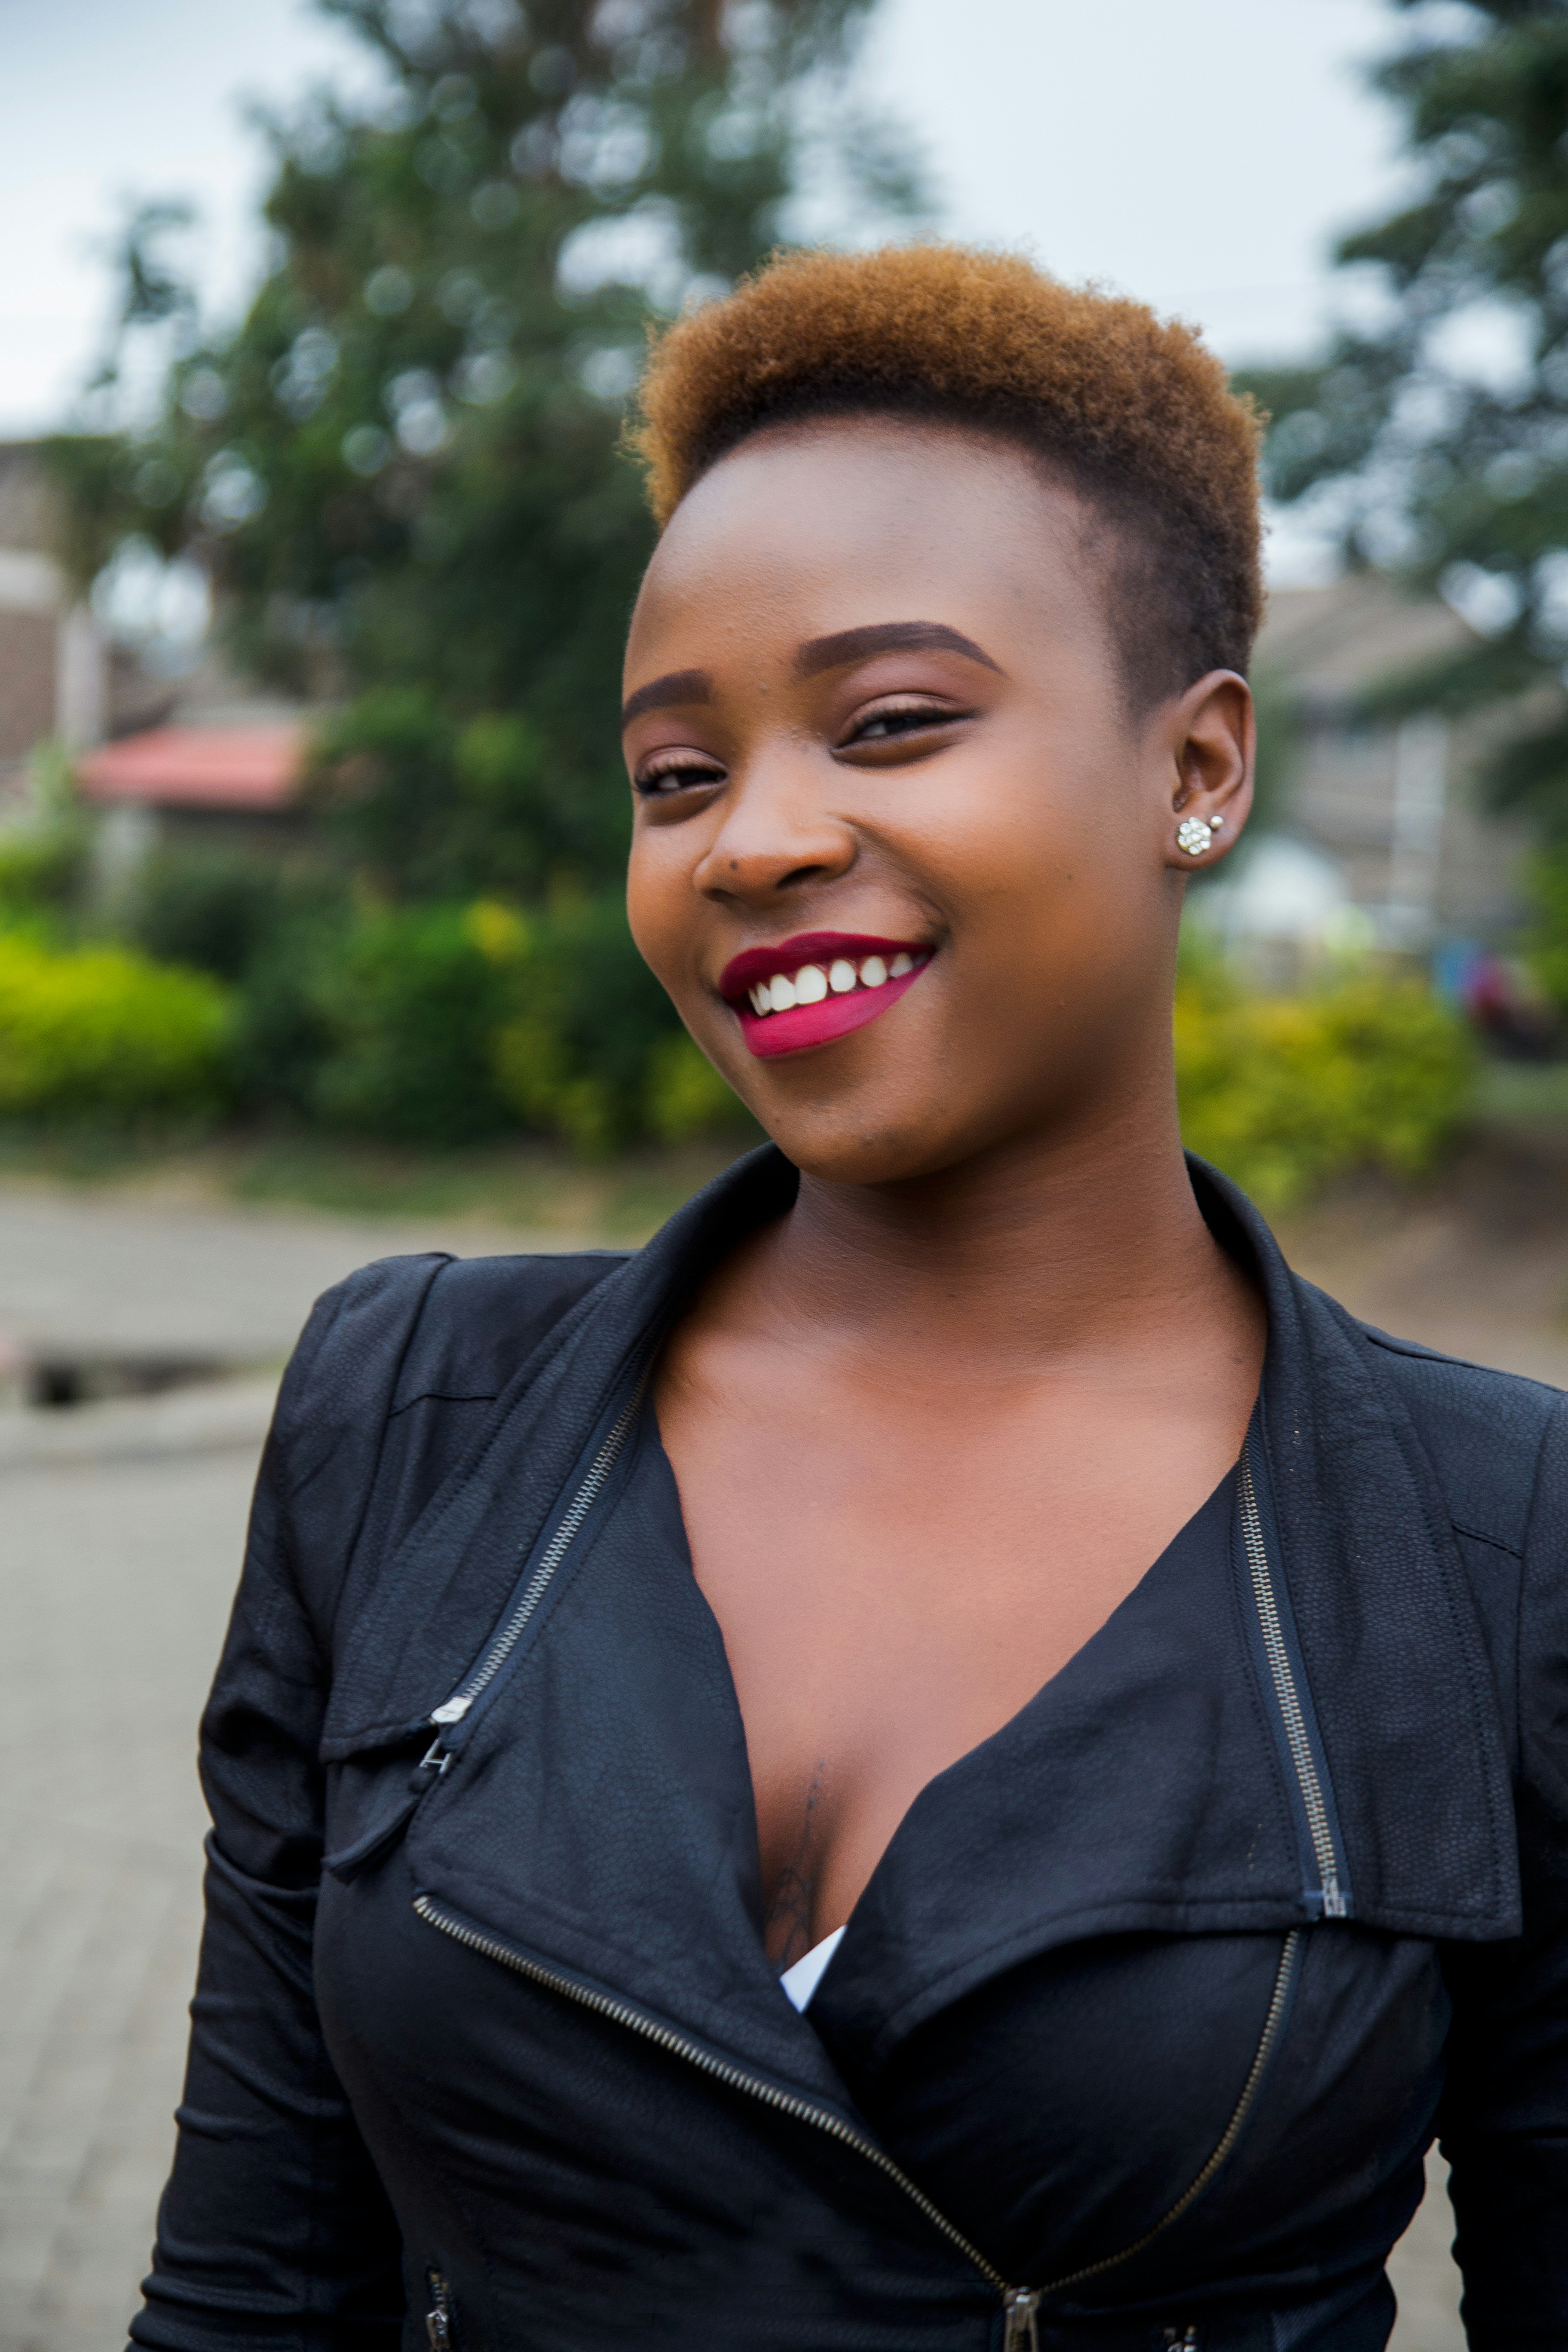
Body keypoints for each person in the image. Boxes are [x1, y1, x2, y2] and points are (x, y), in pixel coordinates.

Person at [130, 246, 1567, 2352]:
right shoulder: (412, 1411)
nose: (754, 841)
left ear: (1202, 769)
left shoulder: (1494, 1544)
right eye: (675, 775)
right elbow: (255, 2292)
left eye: (891, 723)